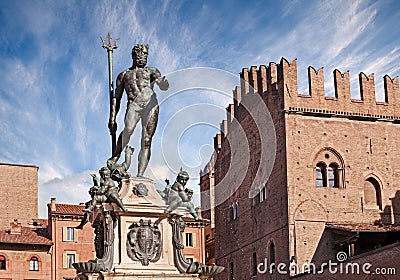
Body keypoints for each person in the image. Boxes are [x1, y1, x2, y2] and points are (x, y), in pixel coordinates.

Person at [108, 44, 169, 177]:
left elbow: (161, 83)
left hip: (150, 104)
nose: (143, 58)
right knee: (128, 130)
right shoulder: (124, 75)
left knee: (146, 140)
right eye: (141, 55)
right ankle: (115, 157)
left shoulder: (152, 71)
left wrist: (164, 84)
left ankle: (140, 175)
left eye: (145, 55)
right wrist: (112, 117)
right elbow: (116, 98)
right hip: (133, 105)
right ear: (134, 56)